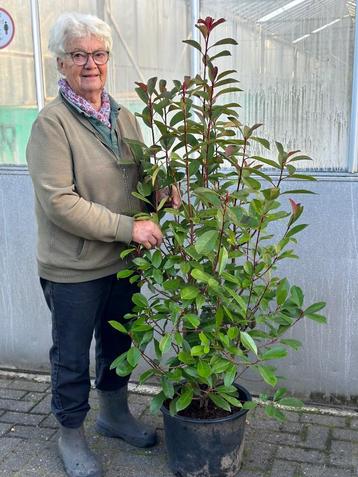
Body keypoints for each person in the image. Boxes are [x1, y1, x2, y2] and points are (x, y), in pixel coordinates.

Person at [26, 12, 180, 477]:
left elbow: (137, 175)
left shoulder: (123, 115)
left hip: (122, 263)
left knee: (117, 343)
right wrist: (127, 228)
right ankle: (71, 433)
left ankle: (114, 415)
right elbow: (60, 204)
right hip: (73, 268)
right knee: (70, 355)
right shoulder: (51, 125)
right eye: (78, 55)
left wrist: (162, 191)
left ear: (107, 60)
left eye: (98, 54)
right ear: (61, 63)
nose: (89, 63)